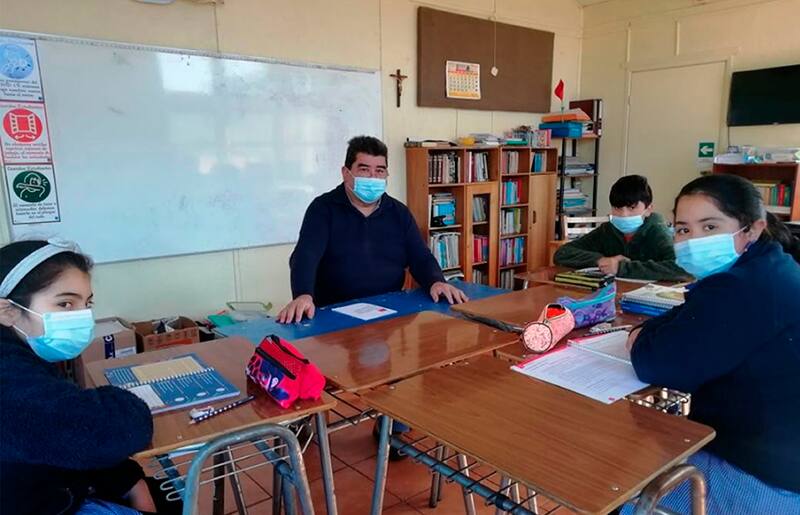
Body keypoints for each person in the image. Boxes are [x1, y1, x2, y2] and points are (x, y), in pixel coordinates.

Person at [626, 174, 800, 513]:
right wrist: (648, 332)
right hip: (774, 452)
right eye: (683, 229)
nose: (694, 240)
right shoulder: (770, 266)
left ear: (752, 229)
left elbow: (654, 362)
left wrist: (639, 338)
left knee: (623, 481)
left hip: (766, 476)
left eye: (710, 227)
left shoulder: (742, 287)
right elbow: (685, 314)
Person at [0, 239, 179, 515]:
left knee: (169, 495)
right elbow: (111, 431)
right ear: (8, 312)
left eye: (87, 303)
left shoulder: (25, 355)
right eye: (65, 304)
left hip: (58, 486)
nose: (82, 317)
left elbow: (68, 434)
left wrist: (132, 481)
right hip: (43, 501)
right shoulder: (8, 377)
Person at [278, 135, 467, 323]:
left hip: (389, 310)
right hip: (333, 313)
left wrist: (436, 281)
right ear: (346, 173)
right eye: (364, 169)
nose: (373, 177)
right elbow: (305, 257)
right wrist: (303, 295)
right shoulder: (323, 209)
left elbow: (420, 256)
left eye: (380, 170)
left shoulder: (399, 213)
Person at [553, 174, 687, 281]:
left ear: (648, 209)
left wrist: (622, 268)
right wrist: (600, 260)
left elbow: (682, 268)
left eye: (632, 208)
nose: (624, 214)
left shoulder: (658, 231)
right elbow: (562, 253)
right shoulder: (607, 230)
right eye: (617, 208)